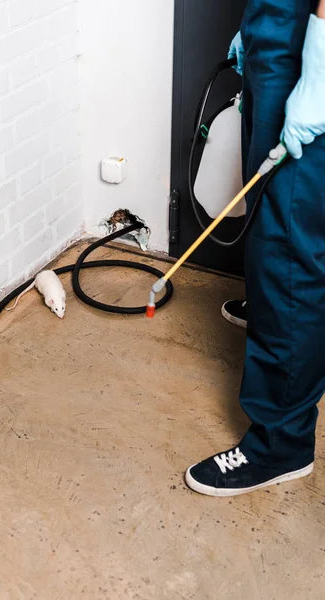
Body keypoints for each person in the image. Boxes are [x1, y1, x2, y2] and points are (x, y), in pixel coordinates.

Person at [185, 0, 325, 496]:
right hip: (277, 42)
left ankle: (281, 442)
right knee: (272, 225)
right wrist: (254, 30)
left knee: (289, 254)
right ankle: (276, 316)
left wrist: (319, 69)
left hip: (305, 51)